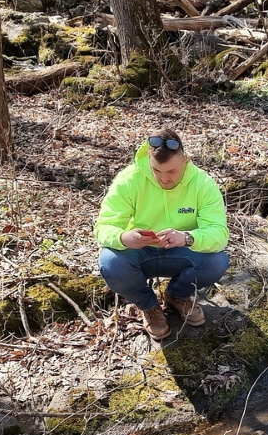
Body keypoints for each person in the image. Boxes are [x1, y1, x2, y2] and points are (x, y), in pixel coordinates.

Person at [94, 129, 230, 340]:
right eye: (157, 171)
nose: (164, 178)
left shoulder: (203, 184)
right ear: (149, 160)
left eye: (172, 171)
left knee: (218, 261)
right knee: (110, 262)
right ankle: (149, 306)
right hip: (139, 252)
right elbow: (103, 228)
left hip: (181, 250)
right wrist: (124, 238)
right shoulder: (129, 179)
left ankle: (177, 295)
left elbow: (219, 234)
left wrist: (187, 237)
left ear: (185, 160)